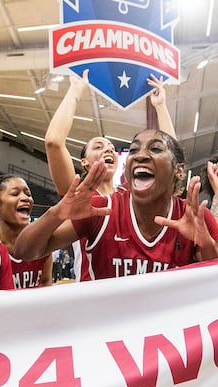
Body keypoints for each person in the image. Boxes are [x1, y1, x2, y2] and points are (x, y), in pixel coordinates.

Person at [15, 129, 218, 280]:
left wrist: (206, 245)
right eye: (133, 150)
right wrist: (57, 212)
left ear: (178, 170)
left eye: (155, 149)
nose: (140, 155)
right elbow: (25, 251)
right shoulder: (102, 209)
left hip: (168, 337)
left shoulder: (196, 218)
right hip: (107, 335)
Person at [46, 70, 176, 279]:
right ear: (84, 162)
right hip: (94, 301)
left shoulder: (131, 193)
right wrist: (76, 90)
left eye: (110, 147)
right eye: (98, 146)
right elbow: (53, 142)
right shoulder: (78, 193)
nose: (108, 149)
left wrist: (160, 106)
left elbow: (170, 159)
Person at [0, 174, 52, 289]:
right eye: (15, 193)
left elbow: (46, 282)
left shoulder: (40, 238)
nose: (25, 198)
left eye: (28, 194)